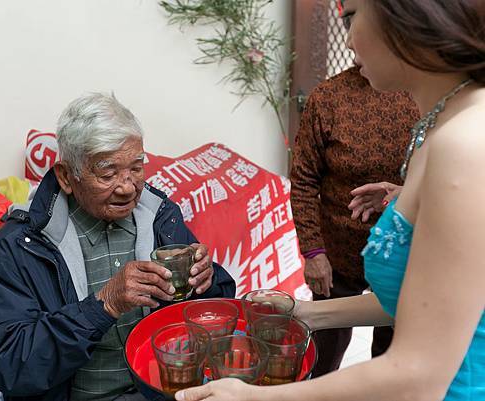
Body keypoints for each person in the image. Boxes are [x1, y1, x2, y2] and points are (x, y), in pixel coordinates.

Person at [176, 0, 485, 400]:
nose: (350, 41)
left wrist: (254, 396)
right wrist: (305, 312)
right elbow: (428, 303)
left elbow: (418, 376)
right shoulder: (442, 124)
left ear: (408, 13)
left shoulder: (464, 143)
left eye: (351, 17)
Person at [0, 93, 236, 401]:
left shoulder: (159, 218)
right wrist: (105, 304)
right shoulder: (20, 247)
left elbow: (216, 313)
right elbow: (8, 364)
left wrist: (204, 282)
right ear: (67, 176)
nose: (127, 187)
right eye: (108, 173)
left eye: (136, 168)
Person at [290, 64, 419, 376]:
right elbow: (304, 180)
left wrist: (403, 193)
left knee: (390, 358)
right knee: (325, 353)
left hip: (402, 254)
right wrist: (313, 252)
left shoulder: (422, 96)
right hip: (339, 252)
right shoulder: (328, 97)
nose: (351, 40)